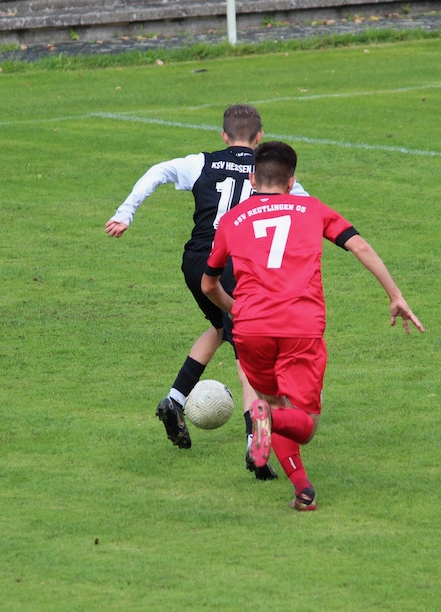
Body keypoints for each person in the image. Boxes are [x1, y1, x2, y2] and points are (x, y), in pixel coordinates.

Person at [202, 140, 424, 510]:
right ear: (291, 182)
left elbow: (209, 284)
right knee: (304, 422)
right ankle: (268, 419)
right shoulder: (311, 208)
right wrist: (395, 295)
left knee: (274, 404)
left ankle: (303, 491)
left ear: (253, 179)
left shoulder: (232, 219)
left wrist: (236, 309)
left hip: (251, 328)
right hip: (300, 326)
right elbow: (359, 247)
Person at [106, 104, 306, 480]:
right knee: (250, 350)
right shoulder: (267, 172)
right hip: (236, 267)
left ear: (224, 136)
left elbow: (158, 171)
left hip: (197, 263)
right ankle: (255, 442)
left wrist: (125, 212)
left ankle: (175, 399)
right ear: (260, 137)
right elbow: (303, 205)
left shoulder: (202, 162)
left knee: (220, 328)